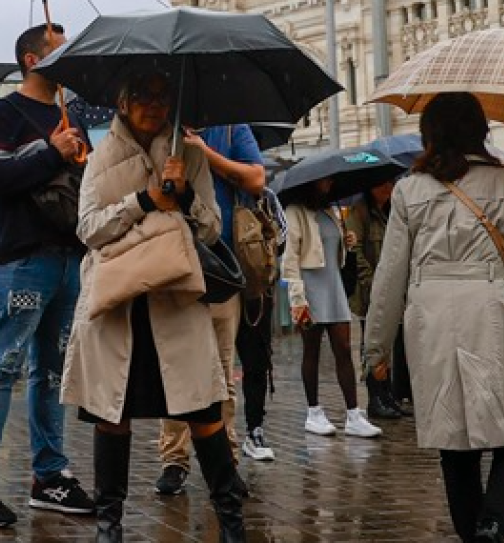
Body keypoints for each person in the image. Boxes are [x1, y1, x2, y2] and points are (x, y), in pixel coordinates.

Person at [61, 69, 245, 543]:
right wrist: (142, 200)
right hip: (120, 305)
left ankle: (231, 522)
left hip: (176, 302)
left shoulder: (190, 154)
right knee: (111, 413)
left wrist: (182, 194)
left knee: (203, 410)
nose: (154, 105)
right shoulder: (101, 157)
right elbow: (88, 229)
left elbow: (210, 229)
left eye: (163, 97)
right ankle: (109, 525)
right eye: (143, 95)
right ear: (122, 101)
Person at [364, 92, 504, 543]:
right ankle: (493, 522)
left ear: (429, 134)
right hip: (491, 308)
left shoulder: (408, 189)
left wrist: (376, 349)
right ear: (481, 131)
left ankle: (473, 533)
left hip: (430, 316)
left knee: (454, 440)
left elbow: (389, 276)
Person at [0, 24, 94, 526]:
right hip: (19, 260)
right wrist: (48, 153)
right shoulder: (4, 111)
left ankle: (50, 477)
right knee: (2, 365)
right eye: (60, 48)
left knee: (54, 371)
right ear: (33, 60)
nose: (70, 55)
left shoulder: (72, 114)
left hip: (67, 257)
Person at [156, 123, 266, 494]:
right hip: (174, 265)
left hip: (223, 269)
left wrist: (206, 155)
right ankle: (174, 460)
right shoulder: (163, 128)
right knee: (175, 367)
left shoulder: (233, 128)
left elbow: (255, 178)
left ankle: (227, 460)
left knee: (221, 369)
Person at [280, 178, 383, 440]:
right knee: (312, 351)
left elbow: (333, 251)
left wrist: (346, 243)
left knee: (344, 350)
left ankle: (353, 415)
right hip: (310, 288)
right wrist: (297, 298)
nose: (329, 184)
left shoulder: (330, 210)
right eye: (323, 181)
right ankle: (313, 412)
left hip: (333, 286)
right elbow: (289, 258)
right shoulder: (295, 212)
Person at [347, 180, 408, 418]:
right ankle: (375, 397)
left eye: (390, 184)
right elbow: (356, 251)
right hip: (368, 293)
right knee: (372, 343)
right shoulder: (359, 212)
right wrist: (372, 284)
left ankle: (388, 394)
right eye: (381, 184)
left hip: (393, 290)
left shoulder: (393, 210)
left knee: (391, 343)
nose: (387, 188)